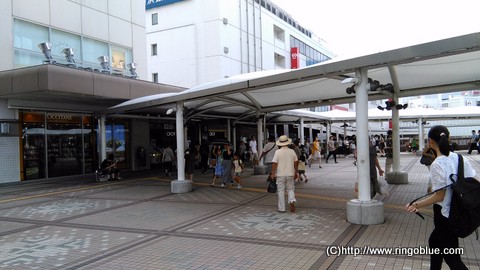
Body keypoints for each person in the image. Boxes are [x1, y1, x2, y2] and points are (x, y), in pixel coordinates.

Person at [406, 125, 475, 270]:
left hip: (444, 214)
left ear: (430, 142)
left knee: (452, 259)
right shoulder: (460, 158)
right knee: (434, 242)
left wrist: (416, 205)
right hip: (458, 211)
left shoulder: (437, 164)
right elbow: (474, 180)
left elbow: (440, 196)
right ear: (448, 138)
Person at [270, 135, 299, 213]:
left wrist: (273, 173)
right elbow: (296, 162)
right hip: (290, 173)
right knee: (290, 189)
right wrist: (296, 172)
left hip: (280, 174)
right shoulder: (292, 151)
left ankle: (282, 208)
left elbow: (274, 163)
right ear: (287, 143)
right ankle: (292, 200)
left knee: (281, 191)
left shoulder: (278, 152)